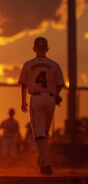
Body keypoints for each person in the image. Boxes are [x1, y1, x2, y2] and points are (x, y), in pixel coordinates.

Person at [18, 37, 64, 175]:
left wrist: (23, 101)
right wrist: (55, 94)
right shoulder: (54, 65)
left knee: (38, 130)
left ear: (34, 49)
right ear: (47, 49)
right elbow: (60, 84)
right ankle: (42, 158)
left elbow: (24, 85)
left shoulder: (28, 64)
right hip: (50, 99)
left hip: (36, 98)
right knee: (45, 130)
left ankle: (44, 159)